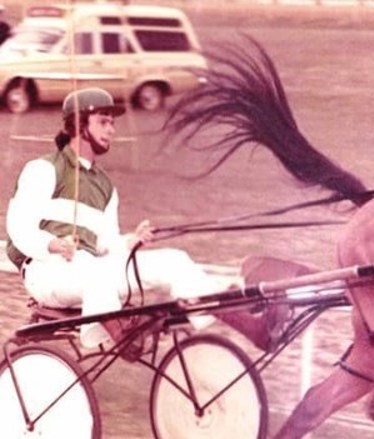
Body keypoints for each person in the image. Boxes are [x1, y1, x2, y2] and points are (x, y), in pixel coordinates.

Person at [5, 87, 279, 352]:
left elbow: (105, 244)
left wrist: (130, 241)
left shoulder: (105, 187)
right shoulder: (43, 169)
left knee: (174, 260)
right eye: (103, 122)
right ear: (78, 124)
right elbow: (18, 226)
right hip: (47, 273)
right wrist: (53, 244)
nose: (111, 130)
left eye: (112, 123)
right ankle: (127, 338)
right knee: (94, 274)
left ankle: (250, 325)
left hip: (89, 270)